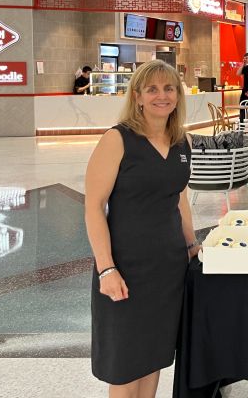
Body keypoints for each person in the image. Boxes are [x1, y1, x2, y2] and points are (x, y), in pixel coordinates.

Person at [84, 59, 200, 397]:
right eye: (152, 89)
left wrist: (191, 246)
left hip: (168, 267)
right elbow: (93, 206)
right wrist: (106, 268)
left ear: (178, 95)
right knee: (124, 364)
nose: (161, 96)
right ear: (137, 96)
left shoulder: (182, 142)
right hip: (125, 268)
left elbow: (179, 200)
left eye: (168, 89)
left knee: (154, 356)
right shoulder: (117, 140)